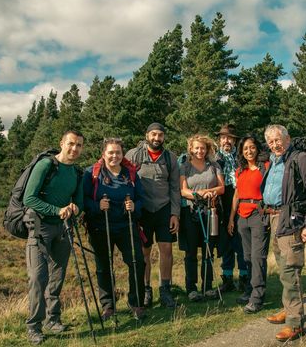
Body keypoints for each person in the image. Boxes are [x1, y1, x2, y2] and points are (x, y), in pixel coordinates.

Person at [262, 125, 306, 342]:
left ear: (287, 138)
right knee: (283, 270)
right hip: (275, 220)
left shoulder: (300, 159)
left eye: (277, 140)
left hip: (292, 222)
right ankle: (288, 310)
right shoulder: (275, 161)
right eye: (270, 142)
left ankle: (295, 323)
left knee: (290, 272)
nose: (274, 145)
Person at [23, 130, 84, 345]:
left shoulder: (77, 173)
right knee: (38, 277)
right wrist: (56, 209)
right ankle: (34, 326)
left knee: (57, 276)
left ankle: (53, 319)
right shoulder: (46, 165)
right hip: (40, 227)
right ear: (62, 143)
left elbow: (80, 201)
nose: (74, 148)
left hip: (63, 228)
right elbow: (29, 198)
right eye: (71, 144)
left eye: (78, 145)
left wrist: (74, 208)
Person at [83, 138, 146, 321]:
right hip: (100, 226)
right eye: (110, 152)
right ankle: (108, 306)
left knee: (137, 262)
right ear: (103, 154)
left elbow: (141, 198)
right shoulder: (92, 174)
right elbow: (84, 200)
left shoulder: (131, 174)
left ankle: (136, 303)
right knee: (104, 267)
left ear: (122, 154)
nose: (114, 156)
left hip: (126, 225)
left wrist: (134, 206)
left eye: (118, 152)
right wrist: (97, 205)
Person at [125, 123, 180, 308]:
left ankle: (165, 290)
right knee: (144, 252)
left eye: (161, 135)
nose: (157, 138)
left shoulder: (170, 158)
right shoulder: (133, 155)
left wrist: (175, 213)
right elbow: (126, 181)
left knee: (167, 250)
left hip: (164, 209)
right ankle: (146, 289)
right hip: (143, 210)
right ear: (147, 135)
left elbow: (175, 187)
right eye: (154, 134)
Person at [178, 134, 225, 301]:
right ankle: (191, 288)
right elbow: (183, 190)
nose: (200, 151)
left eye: (202, 148)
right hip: (191, 213)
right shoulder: (184, 166)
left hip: (210, 211)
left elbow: (221, 188)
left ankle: (208, 286)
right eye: (196, 148)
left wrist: (208, 193)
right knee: (191, 252)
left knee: (208, 250)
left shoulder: (214, 165)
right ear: (191, 149)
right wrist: (199, 194)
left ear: (207, 149)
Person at [227, 135, 270, 313]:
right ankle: (250, 289)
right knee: (247, 256)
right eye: (245, 148)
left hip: (258, 214)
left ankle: (257, 297)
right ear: (241, 152)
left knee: (258, 255)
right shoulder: (239, 171)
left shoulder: (265, 167)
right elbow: (236, 195)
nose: (249, 151)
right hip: (241, 216)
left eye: (252, 147)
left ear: (257, 148)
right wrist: (231, 219)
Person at [214, 124, 248, 293]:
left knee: (241, 240)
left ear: (235, 140)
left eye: (230, 138)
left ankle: (244, 277)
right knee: (225, 241)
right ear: (219, 140)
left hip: (241, 199)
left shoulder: (242, 157)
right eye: (223, 138)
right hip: (222, 201)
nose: (226, 141)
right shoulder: (213, 159)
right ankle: (227, 278)